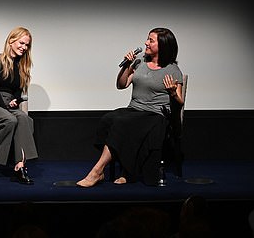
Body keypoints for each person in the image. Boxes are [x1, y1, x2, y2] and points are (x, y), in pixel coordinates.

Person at [77, 27, 184, 187]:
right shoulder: (140, 61)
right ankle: (128, 171)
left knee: (123, 124)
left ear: (162, 45)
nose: (146, 43)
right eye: (147, 38)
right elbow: (121, 85)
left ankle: (97, 171)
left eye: (151, 40)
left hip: (155, 115)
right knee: (109, 119)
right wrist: (126, 66)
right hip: (134, 109)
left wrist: (173, 94)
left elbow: (180, 101)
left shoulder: (172, 70)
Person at [0, 26, 38, 185]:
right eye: (22, 43)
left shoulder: (22, 66)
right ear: (11, 41)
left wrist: (15, 101)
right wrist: (4, 106)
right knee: (11, 120)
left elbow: (18, 91)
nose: (24, 48)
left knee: (24, 119)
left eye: (27, 45)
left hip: (8, 105)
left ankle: (20, 166)